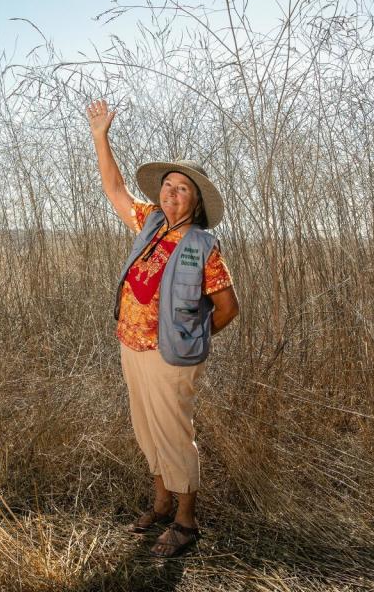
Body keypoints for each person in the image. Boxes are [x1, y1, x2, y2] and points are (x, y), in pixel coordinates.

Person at [86, 99, 240, 558]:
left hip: (170, 356)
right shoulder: (150, 223)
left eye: (181, 190)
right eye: (167, 187)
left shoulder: (201, 246)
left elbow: (228, 307)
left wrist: (192, 337)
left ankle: (186, 521)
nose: (171, 195)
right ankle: (159, 503)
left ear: (195, 202)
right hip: (130, 347)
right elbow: (114, 189)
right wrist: (100, 136)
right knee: (146, 428)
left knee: (174, 433)